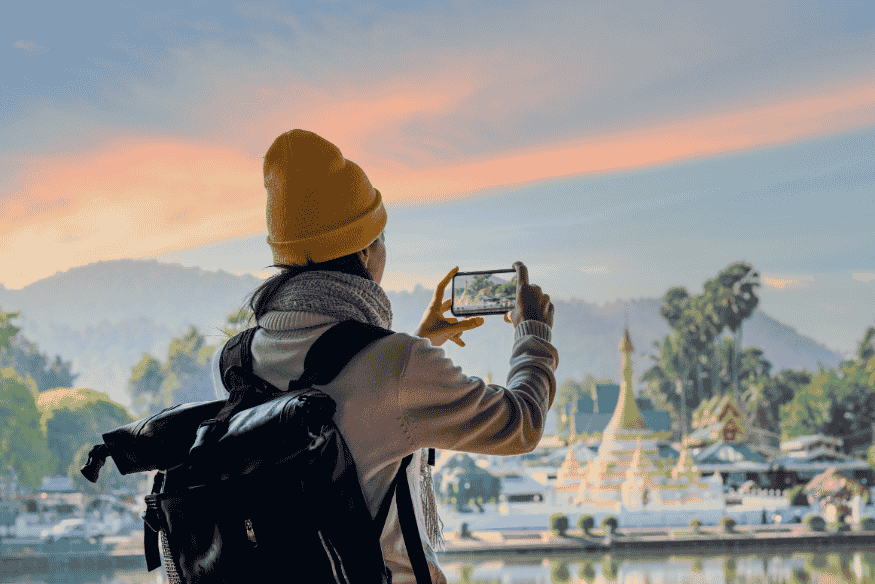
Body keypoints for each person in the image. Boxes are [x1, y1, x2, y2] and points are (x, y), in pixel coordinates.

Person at [210, 129, 558, 584]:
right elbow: (521, 424)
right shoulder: (396, 365)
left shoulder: (235, 360)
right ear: (365, 251)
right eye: (382, 237)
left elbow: (351, 409)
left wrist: (413, 343)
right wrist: (534, 334)